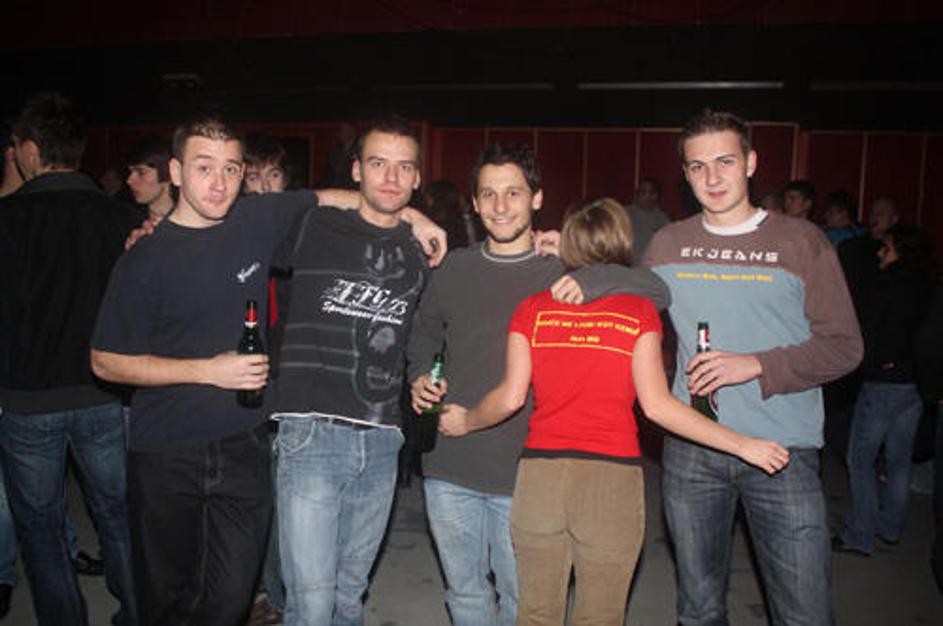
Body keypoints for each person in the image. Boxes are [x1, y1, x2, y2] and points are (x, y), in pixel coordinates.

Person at [90, 114, 444, 626]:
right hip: (176, 447)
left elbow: (343, 199)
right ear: (176, 172)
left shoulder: (260, 221)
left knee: (238, 600)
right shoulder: (148, 256)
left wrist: (414, 216)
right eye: (204, 167)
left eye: (231, 169)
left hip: (252, 443)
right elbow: (104, 360)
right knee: (172, 599)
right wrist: (208, 371)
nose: (219, 182)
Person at [438, 197, 789, 626]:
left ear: (569, 243)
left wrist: (467, 420)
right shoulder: (638, 312)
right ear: (623, 240)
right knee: (601, 616)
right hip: (611, 480)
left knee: (535, 614)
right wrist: (743, 445)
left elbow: (510, 398)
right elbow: (658, 407)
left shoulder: (533, 308)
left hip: (540, 480)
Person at [408, 144, 670, 626]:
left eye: (513, 193)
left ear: (537, 198)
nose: (500, 206)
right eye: (489, 194)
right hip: (449, 458)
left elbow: (657, 290)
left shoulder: (562, 272)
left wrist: (596, 277)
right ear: (474, 202)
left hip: (526, 471)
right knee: (464, 594)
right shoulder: (454, 268)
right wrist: (420, 374)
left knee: (524, 602)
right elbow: (423, 332)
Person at [644, 109, 863, 625]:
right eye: (698, 167)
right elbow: (623, 302)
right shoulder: (666, 245)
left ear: (751, 162)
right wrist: (564, 254)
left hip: (781, 451)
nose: (712, 177)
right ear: (685, 174)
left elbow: (845, 347)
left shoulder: (801, 242)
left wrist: (757, 364)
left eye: (724, 161)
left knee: (805, 612)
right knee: (699, 610)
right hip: (693, 449)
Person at [270, 117, 435, 625]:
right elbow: (249, 216)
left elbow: (431, 330)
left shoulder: (422, 251)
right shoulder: (314, 227)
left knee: (348, 598)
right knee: (312, 606)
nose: (391, 177)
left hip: (383, 438)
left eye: (404, 167)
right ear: (356, 170)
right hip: (311, 432)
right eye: (378, 163)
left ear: (417, 178)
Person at [0, 92, 139, 626]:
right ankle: (138, 612)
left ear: (31, 150)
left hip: (27, 398)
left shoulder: (7, 219)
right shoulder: (119, 217)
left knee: (40, 528)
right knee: (119, 517)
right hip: (104, 391)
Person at [836, 224, 935, 556]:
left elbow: (877, 330)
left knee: (860, 459)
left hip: (884, 383)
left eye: (887, 247)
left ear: (901, 252)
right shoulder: (929, 285)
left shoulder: (890, 284)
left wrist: (873, 362)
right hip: (914, 384)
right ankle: (890, 526)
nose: (880, 252)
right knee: (899, 459)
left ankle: (859, 535)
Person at [125, 135, 173, 224]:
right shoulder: (124, 222)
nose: (129, 181)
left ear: (168, 173)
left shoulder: (191, 223)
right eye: (130, 172)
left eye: (141, 172)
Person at [624, 176, 669, 259]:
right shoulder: (624, 215)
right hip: (627, 264)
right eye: (643, 192)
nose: (647, 196)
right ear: (636, 194)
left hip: (652, 264)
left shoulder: (662, 219)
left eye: (651, 193)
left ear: (656, 196)